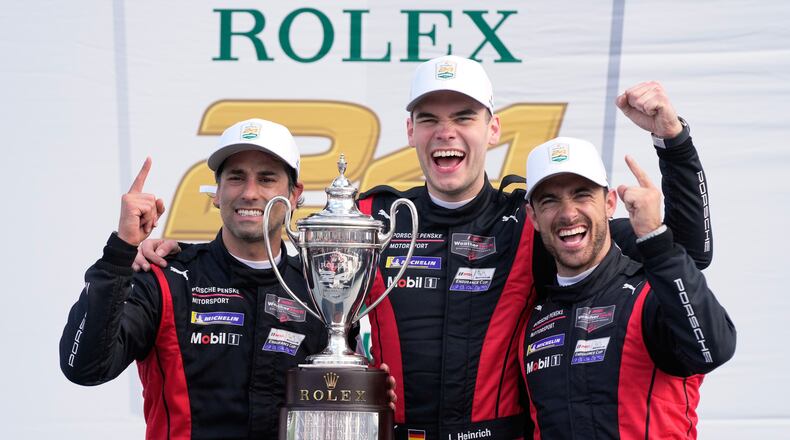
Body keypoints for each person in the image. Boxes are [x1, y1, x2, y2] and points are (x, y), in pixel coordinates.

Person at [136, 58, 713, 439]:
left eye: (464, 116)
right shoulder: (371, 217)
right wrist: (178, 257)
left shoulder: (526, 219)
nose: (446, 131)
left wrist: (674, 143)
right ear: (409, 130)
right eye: (430, 118)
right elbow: (270, 250)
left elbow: (685, 254)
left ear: (492, 130)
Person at [61, 119, 335, 439]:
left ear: (294, 193)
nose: (249, 193)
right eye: (236, 178)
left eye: (266, 179)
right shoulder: (168, 277)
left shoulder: (320, 292)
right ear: (217, 192)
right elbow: (84, 367)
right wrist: (121, 251)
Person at [519, 137, 735, 438]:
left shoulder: (652, 296)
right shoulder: (534, 319)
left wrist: (656, 240)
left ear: (609, 203)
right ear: (533, 217)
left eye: (582, 195)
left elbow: (713, 350)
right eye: (550, 200)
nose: (568, 213)